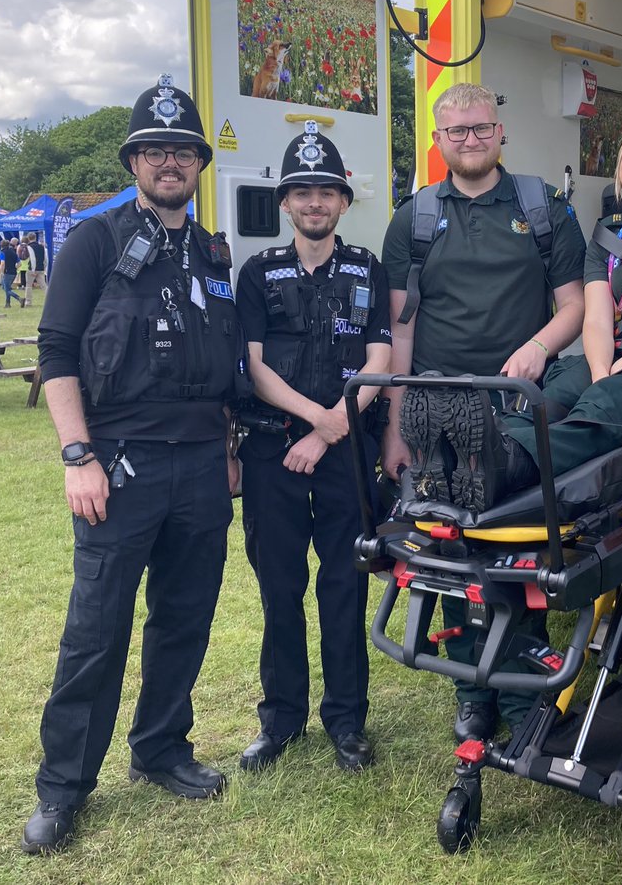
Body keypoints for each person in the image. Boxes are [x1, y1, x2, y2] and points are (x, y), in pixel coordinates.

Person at [23, 75, 242, 855]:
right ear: (135, 161)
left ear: (197, 162)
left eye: (181, 149)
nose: (169, 161)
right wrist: (76, 454)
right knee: (97, 627)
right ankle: (63, 787)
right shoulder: (97, 241)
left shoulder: (213, 251)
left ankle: (160, 748)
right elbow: (55, 352)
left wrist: (225, 453)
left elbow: (222, 367)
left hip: (199, 468)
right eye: (154, 149)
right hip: (117, 464)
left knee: (183, 617)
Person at [380, 82, 586, 743]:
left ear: (501, 132)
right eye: (456, 132)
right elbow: (399, 333)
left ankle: (526, 702)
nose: (470, 140)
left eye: (480, 128)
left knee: (515, 555)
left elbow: (575, 305)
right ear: (438, 143)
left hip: (518, 414)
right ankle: (472, 693)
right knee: (449, 558)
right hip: (435, 416)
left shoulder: (542, 207)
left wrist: (537, 346)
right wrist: (395, 422)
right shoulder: (411, 218)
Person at [408, 115, 622, 511]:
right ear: (620, 164)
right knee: (551, 395)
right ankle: (465, 458)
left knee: (604, 406)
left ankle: (512, 465)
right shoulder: (606, 233)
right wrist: (599, 372)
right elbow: (595, 318)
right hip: (612, 354)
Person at [235, 124, 391, 773]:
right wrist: (311, 423)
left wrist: (332, 429)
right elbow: (253, 365)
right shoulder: (257, 272)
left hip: (348, 453)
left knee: (343, 587)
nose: (314, 202)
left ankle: (347, 721)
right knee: (279, 586)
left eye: (325, 191)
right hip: (274, 451)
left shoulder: (368, 269)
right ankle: (281, 719)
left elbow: (380, 358)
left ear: (343, 201)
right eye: (301, 192)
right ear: (286, 202)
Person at [0, 238, 23, 308]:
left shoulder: (2, 252)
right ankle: (8, 304)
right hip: (13, 272)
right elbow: (19, 263)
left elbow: (2, 263)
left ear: (1, 245)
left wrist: (2, 272)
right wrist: (15, 267)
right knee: (7, 288)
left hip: (7, 272)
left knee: (6, 288)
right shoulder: (13, 252)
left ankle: (19, 298)